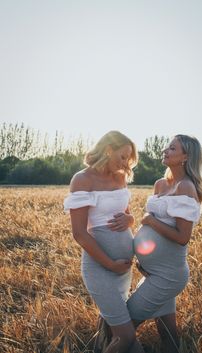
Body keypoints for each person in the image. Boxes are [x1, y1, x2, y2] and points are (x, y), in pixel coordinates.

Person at [64, 131, 145, 353]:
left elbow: (127, 214)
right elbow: (79, 233)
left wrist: (130, 219)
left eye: (129, 158)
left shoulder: (119, 177)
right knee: (126, 336)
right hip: (100, 269)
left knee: (125, 339)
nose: (126, 163)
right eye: (123, 156)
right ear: (108, 149)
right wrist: (110, 264)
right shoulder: (82, 179)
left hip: (123, 270)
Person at [125, 134, 202, 353]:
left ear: (185, 157)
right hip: (154, 271)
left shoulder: (186, 187)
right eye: (167, 147)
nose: (165, 151)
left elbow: (182, 237)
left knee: (123, 328)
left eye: (172, 148)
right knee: (168, 334)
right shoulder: (160, 184)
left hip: (168, 275)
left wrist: (150, 221)